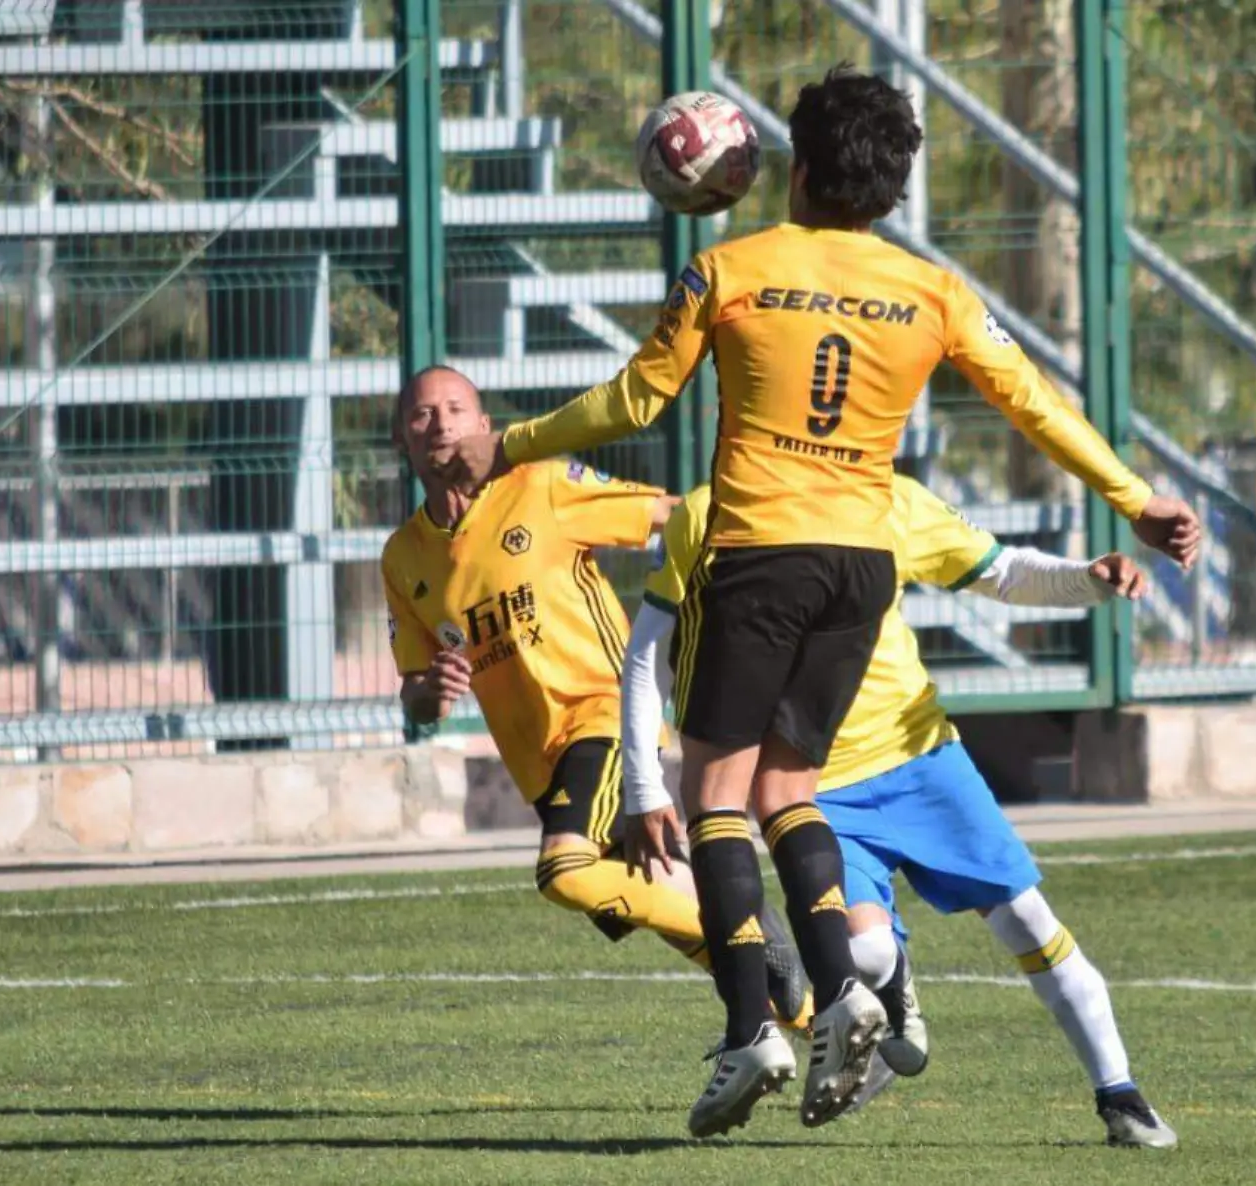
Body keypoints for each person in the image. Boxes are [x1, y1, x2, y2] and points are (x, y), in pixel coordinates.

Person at [434, 66, 1202, 1135]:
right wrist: (1132, 497)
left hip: (759, 553)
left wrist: (507, 441)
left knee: (717, 795)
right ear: (891, 193)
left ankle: (756, 1025)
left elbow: (634, 398)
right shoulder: (931, 291)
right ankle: (847, 988)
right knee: (790, 785)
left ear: (793, 165)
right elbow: (1030, 400)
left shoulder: (729, 269)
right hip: (860, 566)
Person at [621, 475, 1179, 1149]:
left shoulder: (888, 497)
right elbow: (650, 645)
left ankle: (1120, 1095)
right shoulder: (711, 511)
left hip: (921, 760)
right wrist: (643, 778)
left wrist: (1086, 579)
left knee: (1027, 919)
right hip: (811, 786)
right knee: (865, 950)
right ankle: (891, 988)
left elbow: (1000, 571)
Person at [379, 365, 808, 1026]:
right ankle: (802, 1021)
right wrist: (430, 693)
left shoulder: (543, 485)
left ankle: (747, 926)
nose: (440, 424)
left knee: (565, 871)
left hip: (602, 716)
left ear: (487, 428)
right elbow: (414, 696)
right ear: (400, 441)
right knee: (653, 890)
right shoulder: (402, 558)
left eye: (456, 409)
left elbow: (671, 516)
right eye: (421, 415)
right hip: (540, 766)